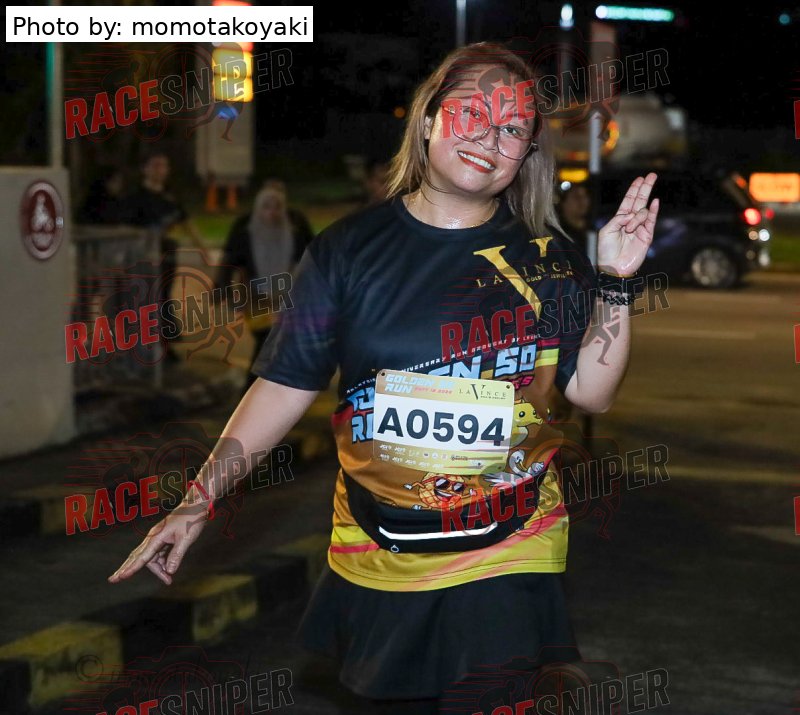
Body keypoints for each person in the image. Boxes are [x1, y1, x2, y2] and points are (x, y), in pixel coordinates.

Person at [108, 42, 659, 715]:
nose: (490, 137)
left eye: (513, 127)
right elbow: (283, 385)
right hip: (378, 547)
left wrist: (616, 280)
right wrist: (198, 500)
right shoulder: (346, 251)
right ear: (427, 119)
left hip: (512, 547)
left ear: (527, 154)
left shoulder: (550, 259)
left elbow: (591, 393)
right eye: (473, 113)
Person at [214, 180, 314, 390]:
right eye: (267, 206)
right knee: (266, 340)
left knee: (279, 342)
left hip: (287, 295)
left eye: (277, 206)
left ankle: (268, 386)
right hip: (255, 295)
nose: (272, 212)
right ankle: (252, 388)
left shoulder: (293, 228)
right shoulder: (245, 229)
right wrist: (222, 291)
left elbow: (311, 255)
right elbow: (229, 261)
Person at [120, 152, 208, 361]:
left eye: (164, 166)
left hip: (167, 256)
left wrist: (202, 248)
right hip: (143, 257)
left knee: (164, 298)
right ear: (145, 169)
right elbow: (125, 228)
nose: (160, 170)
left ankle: (164, 345)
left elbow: (185, 222)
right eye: (155, 165)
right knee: (147, 300)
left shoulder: (170, 197)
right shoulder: (135, 198)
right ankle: (144, 346)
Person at [556, 181, 591, 258]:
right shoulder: (558, 234)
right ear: (563, 203)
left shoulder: (593, 231)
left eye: (585, 196)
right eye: (576, 197)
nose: (583, 201)